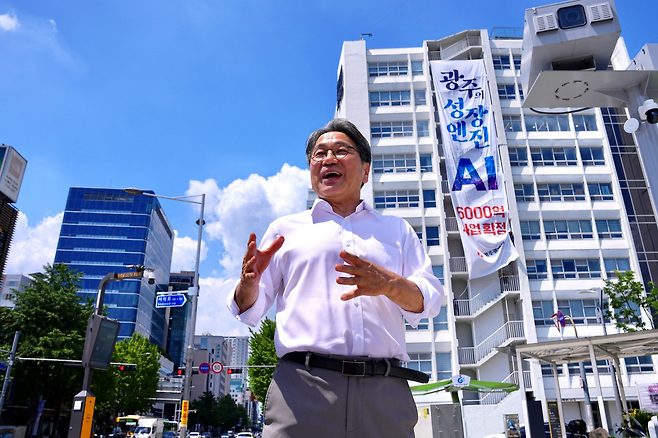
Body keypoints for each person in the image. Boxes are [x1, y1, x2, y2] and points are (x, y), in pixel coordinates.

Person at [226, 118, 444, 438]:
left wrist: (388, 284)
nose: (328, 159)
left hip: (384, 392)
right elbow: (249, 310)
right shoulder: (284, 230)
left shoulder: (397, 230)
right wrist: (248, 284)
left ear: (366, 170)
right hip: (302, 390)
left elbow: (429, 301)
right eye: (319, 154)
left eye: (342, 151)